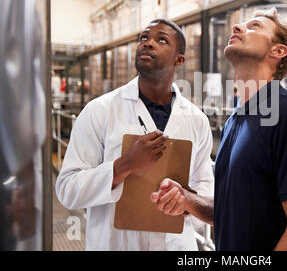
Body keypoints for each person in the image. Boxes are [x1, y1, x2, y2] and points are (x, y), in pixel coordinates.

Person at [151, 8, 287, 251]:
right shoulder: (236, 119)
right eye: (241, 24)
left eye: (254, 26)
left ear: (278, 51)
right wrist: (187, 199)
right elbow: (227, 208)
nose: (238, 27)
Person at [55, 19, 215, 250]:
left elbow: (205, 198)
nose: (148, 43)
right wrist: (124, 165)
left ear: (179, 60)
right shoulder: (100, 111)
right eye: (144, 37)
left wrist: (184, 200)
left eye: (161, 39)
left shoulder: (196, 121)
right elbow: (67, 191)